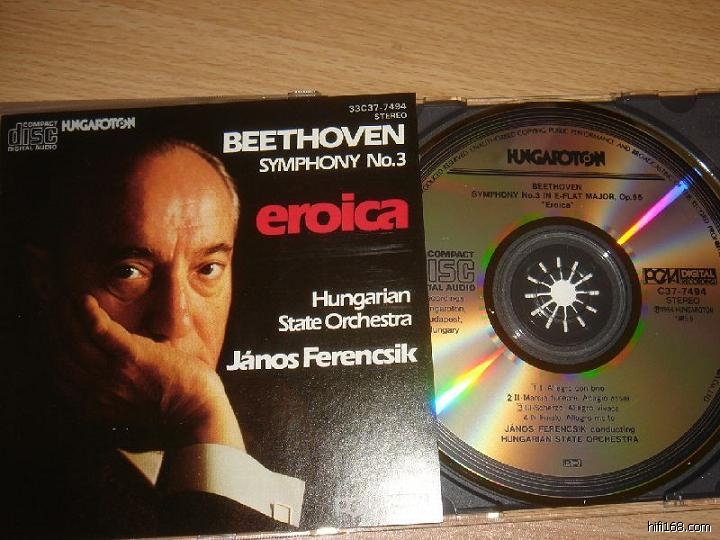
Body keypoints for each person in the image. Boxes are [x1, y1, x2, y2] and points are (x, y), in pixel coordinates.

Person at [3, 138, 304, 539]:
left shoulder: (289, 421)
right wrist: (201, 415)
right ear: (45, 280)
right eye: (129, 271)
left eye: (208, 269)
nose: (175, 320)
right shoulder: (18, 465)